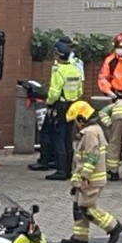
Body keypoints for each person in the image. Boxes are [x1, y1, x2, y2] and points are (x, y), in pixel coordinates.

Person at [60, 100, 122, 243]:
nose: (76, 124)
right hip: (85, 180)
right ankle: (79, 237)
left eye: (76, 121)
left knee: (86, 208)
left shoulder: (90, 133)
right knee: (78, 207)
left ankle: (113, 226)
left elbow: (92, 156)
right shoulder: (94, 130)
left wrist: (85, 177)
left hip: (91, 180)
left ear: (82, 118)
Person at [43, 41, 84, 181]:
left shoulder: (59, 71)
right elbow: (80, 90)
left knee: (59, 138)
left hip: (60, 106)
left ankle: (61, 170)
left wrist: (48, 102)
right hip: (72, 106)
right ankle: (69, 169)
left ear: (58, 55)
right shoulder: (75, 70)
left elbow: (54, 92)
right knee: (68, 137)